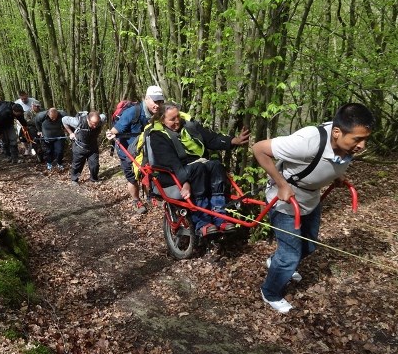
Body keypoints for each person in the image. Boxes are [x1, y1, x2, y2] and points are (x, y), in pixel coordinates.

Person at [254, 103, 374, 314]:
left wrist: (338, 176)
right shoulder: (308, 142)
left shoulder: (346, 144)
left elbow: (334, 162)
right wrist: (282, 185)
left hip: (311, 197)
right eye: (357, 139)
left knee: (308, 246)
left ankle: (275, 262)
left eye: (365, 139)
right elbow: (259, 149)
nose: (362, 146)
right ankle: (270, 293)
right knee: (290, 256)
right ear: (337, 132)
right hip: (285, 200)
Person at [147, 102, 250, 236]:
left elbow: (211, 138)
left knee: (216, 165)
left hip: (195, 167)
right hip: (172, 173)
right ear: (162, 120)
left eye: (178, 117)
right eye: (172, 119)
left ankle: (220, 217)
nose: (177, 121)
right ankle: (202, 223)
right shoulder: (157, 136)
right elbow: (171, 162)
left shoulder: (189, 126)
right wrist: (185, 182)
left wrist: (233, 141)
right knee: (199, 168)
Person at [105, 86, 166, 214]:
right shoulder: (133, 112)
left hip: (145, 150)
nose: (158, 105)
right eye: (155, 101)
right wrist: (111, 133)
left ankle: (151, 196)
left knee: (149, 173)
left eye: (160, 102)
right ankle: (136, 200)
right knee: (132, 178)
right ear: (146, 98)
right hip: (127, 151)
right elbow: (117, 129)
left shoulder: (159, 114)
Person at [62, 110, 106, 184]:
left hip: (93, 147)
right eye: (93, 124)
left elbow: (104, 116)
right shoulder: (77, 122)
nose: (95, 126)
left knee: (94, 165)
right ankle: (74, 180)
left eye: (97, 123)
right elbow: (64, 120)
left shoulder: (101, 120)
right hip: (79, 146)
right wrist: (71, 133)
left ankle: (94, 179)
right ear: (88, 119)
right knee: (77, 165)